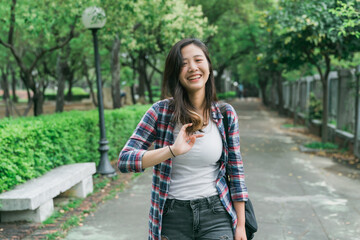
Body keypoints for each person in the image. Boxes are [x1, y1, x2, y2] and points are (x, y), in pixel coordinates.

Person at [118, 38, 248, 240]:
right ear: (176, 73)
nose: (193, 68)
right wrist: (171, 150)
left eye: (198, 60)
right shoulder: (160, 112)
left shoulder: (225, 114)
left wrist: (240, 226)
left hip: (216, 213)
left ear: (208, 66)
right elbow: (125, 160)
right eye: (184, 64)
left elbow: (236, 173)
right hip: (172, 216)